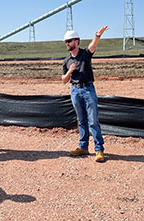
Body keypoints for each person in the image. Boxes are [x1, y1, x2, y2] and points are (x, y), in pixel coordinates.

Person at [62, 26, 109, 162]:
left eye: (69, 41)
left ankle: (99, 149)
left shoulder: (85, 54)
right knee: (81, 120)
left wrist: (97, 35)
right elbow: (64, 80)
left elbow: (92, 45)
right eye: (66, 41)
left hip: (88, 89)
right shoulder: (66, 61)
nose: (67, 44)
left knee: (93, 120)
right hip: (75, 90)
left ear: (76, 41)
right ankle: (83, 147)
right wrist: (70, 71)